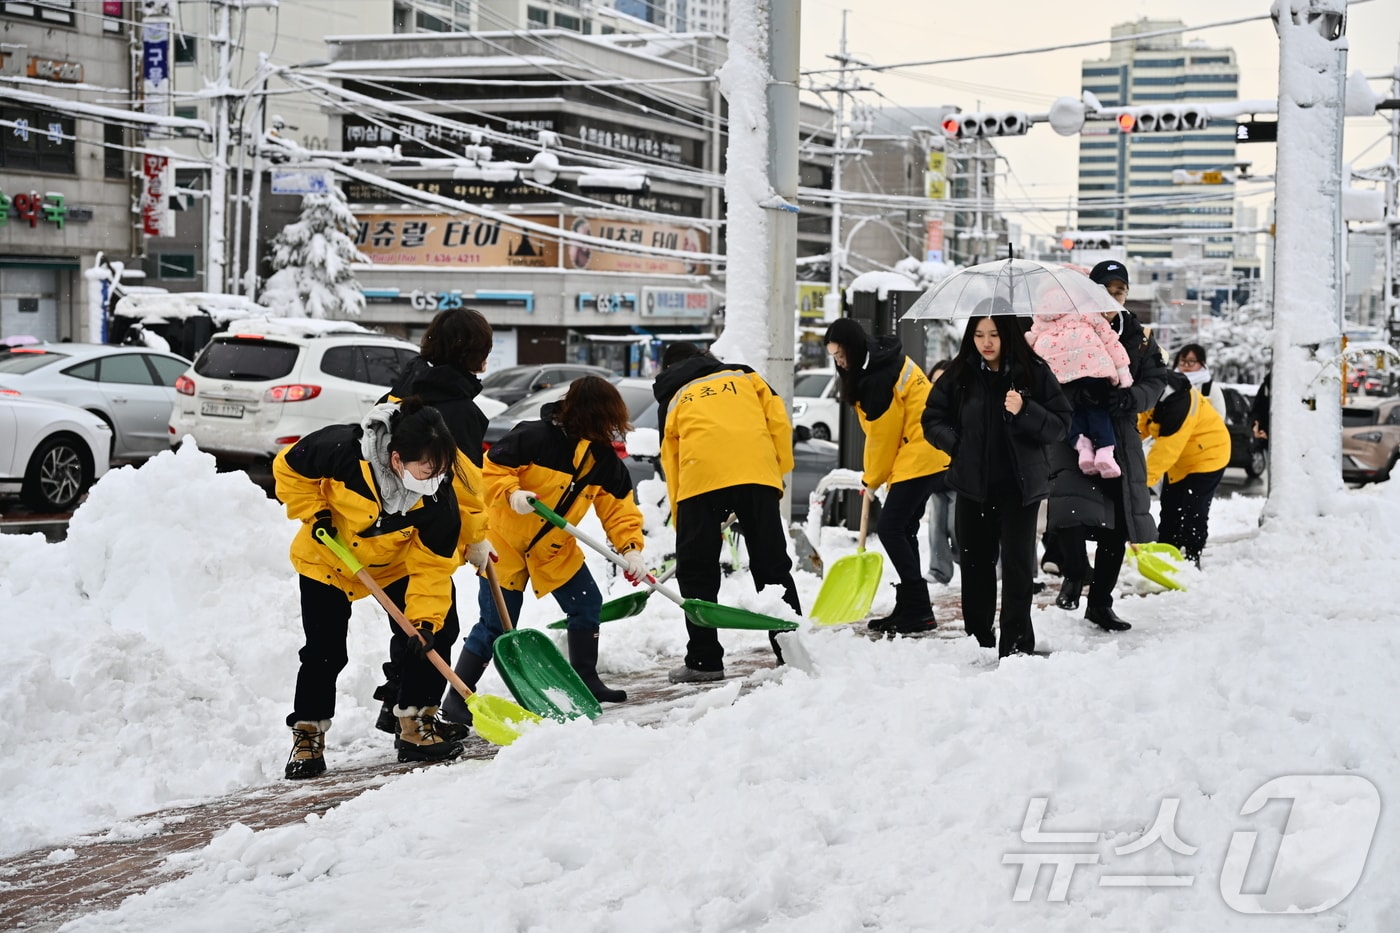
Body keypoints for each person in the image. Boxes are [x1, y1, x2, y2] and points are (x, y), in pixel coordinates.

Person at [274, 398, 467, 780]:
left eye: (441, 470)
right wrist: (317, 514)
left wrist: (424, 623)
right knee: (324, 651)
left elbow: (432, 568)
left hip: (394, 563)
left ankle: (415, 725)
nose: (435, 479)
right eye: (427, 470)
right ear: (397, 459)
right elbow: (288, 469)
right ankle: (307, 735)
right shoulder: (343, 452)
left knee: (438, 631)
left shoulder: (439, 500)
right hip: (329, 556)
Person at [445, 376, 643, 718]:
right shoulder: (534, 436)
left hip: (554, 547)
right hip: (504, 544)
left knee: (587, 604)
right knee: (494, 625)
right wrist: (512, 493)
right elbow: (490, 471)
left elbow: (618, 507)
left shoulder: (601, 459)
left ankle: (586, 676)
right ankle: (458, 697)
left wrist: (631, 548)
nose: (608, 429)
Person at [921, 303, 1072, 658]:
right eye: (978, 335)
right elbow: (931, 418)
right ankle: (979, 638)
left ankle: (1016, 643)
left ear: (1008, 336)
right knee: (975, 565)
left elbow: (1061, 425)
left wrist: (1026, 410)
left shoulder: (1033, 372)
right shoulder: (960, 375)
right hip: (973, 486)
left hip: (1019, 488)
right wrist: (955, 444)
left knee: (1018, 568)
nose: (985, 343)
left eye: (993, 335)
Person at [372, 307, 496, 737]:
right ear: (474, 353)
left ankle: (397, 704)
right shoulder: (458, 410)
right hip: (424, 537)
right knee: (436, 627)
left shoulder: (400, 391)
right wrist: (475, 540)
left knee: (410, 624)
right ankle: (418, 722)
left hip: (384, 532)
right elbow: (464, 485)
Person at [654, 342, 801, 681]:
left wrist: (684, 516)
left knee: (697, 572)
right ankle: (792, 652)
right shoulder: (745, 377)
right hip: (756, 471)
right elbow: (778, 422)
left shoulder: (673, 396)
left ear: (669, 368)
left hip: (700, 478)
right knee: (772, 564)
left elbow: (671, 460)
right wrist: (777, 472)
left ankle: (704, 661)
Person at [1048, 259, 1170, 631]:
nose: (1113, 298)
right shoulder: (1069, 327)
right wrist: (1073, 389)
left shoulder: (1140, 336)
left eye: (1120, 291)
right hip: (1073, 433)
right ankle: (1073, 574)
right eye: (1104, 290)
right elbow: (1047, 370)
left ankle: (1100, 603)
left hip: (1121, 439)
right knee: (1068, 513)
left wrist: (1131, 397)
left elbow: (1156, 380)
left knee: (1117, 528)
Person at [823, 318, 945, 634]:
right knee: (904, 528)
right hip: (928, 448)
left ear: (853, 347)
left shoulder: (876, 380)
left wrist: (872, 478)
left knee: (891, 528)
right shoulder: (881, 358)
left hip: (920, 451)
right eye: (834, 357)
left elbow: (883, 437)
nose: (839, 362)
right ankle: (914, 607)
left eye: (841, 354)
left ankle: (917, 607)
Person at [1026, 303, 1135, 478]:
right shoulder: (1085, 305)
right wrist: (1123, 370)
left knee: (1070, 410)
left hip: (1057, 370)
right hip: (1091, 364)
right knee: (1097, 406)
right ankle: (1104, 451)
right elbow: (1108, 338)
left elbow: (1030, 340)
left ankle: (1082, 444)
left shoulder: (1043, 312)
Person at [1138, 372, 1231, 567]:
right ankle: (1166, 549)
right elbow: (1143, 423)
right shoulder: (1154, 389)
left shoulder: (1179, 404)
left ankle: (1191, 555)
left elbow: (1165, 451)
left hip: (1209, 454)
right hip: (1182, 457)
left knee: (1193, 507)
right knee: (1170, 505)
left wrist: (1140, 483)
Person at [923, 360, 958, 586]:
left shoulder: (960, 406)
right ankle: (939, 570)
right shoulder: (926, 407)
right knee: (936, 523)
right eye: (934, 381)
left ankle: (970, 561)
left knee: (957, 525)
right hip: (935, 475)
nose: (937, 385)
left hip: (958, 474)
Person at [1172, 343, 1226, 418]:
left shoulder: (1210, 388)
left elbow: (1219, 418)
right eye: (1182, 361)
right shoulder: (1168, 384)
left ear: (1202, 363)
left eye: (1191, 361)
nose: (1186, 365)